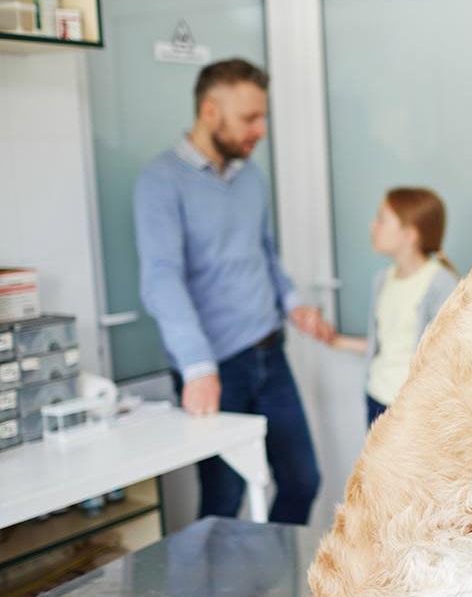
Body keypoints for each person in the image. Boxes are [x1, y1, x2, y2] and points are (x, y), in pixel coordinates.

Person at [134, 58, 332, 526]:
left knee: (303, 481)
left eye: (262, 116)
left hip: (270, 353)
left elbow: (263, 252)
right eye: (249, 118)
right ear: (209, 111)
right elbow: (161, 279)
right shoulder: (160, 182)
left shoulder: (249, 175)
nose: (260, 130)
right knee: (224, 502)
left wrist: (293, 303)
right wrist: (197, 367)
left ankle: (271, 579)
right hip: (217, 366)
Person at [328, 187, 458, 427]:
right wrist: (335, 341)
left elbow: (450, 356)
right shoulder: (383, 279)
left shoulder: (441, 284)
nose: (372, 226)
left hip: (414, 407)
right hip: (376, 398)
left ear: (409, 235)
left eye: (381, 219)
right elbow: (386, 343)